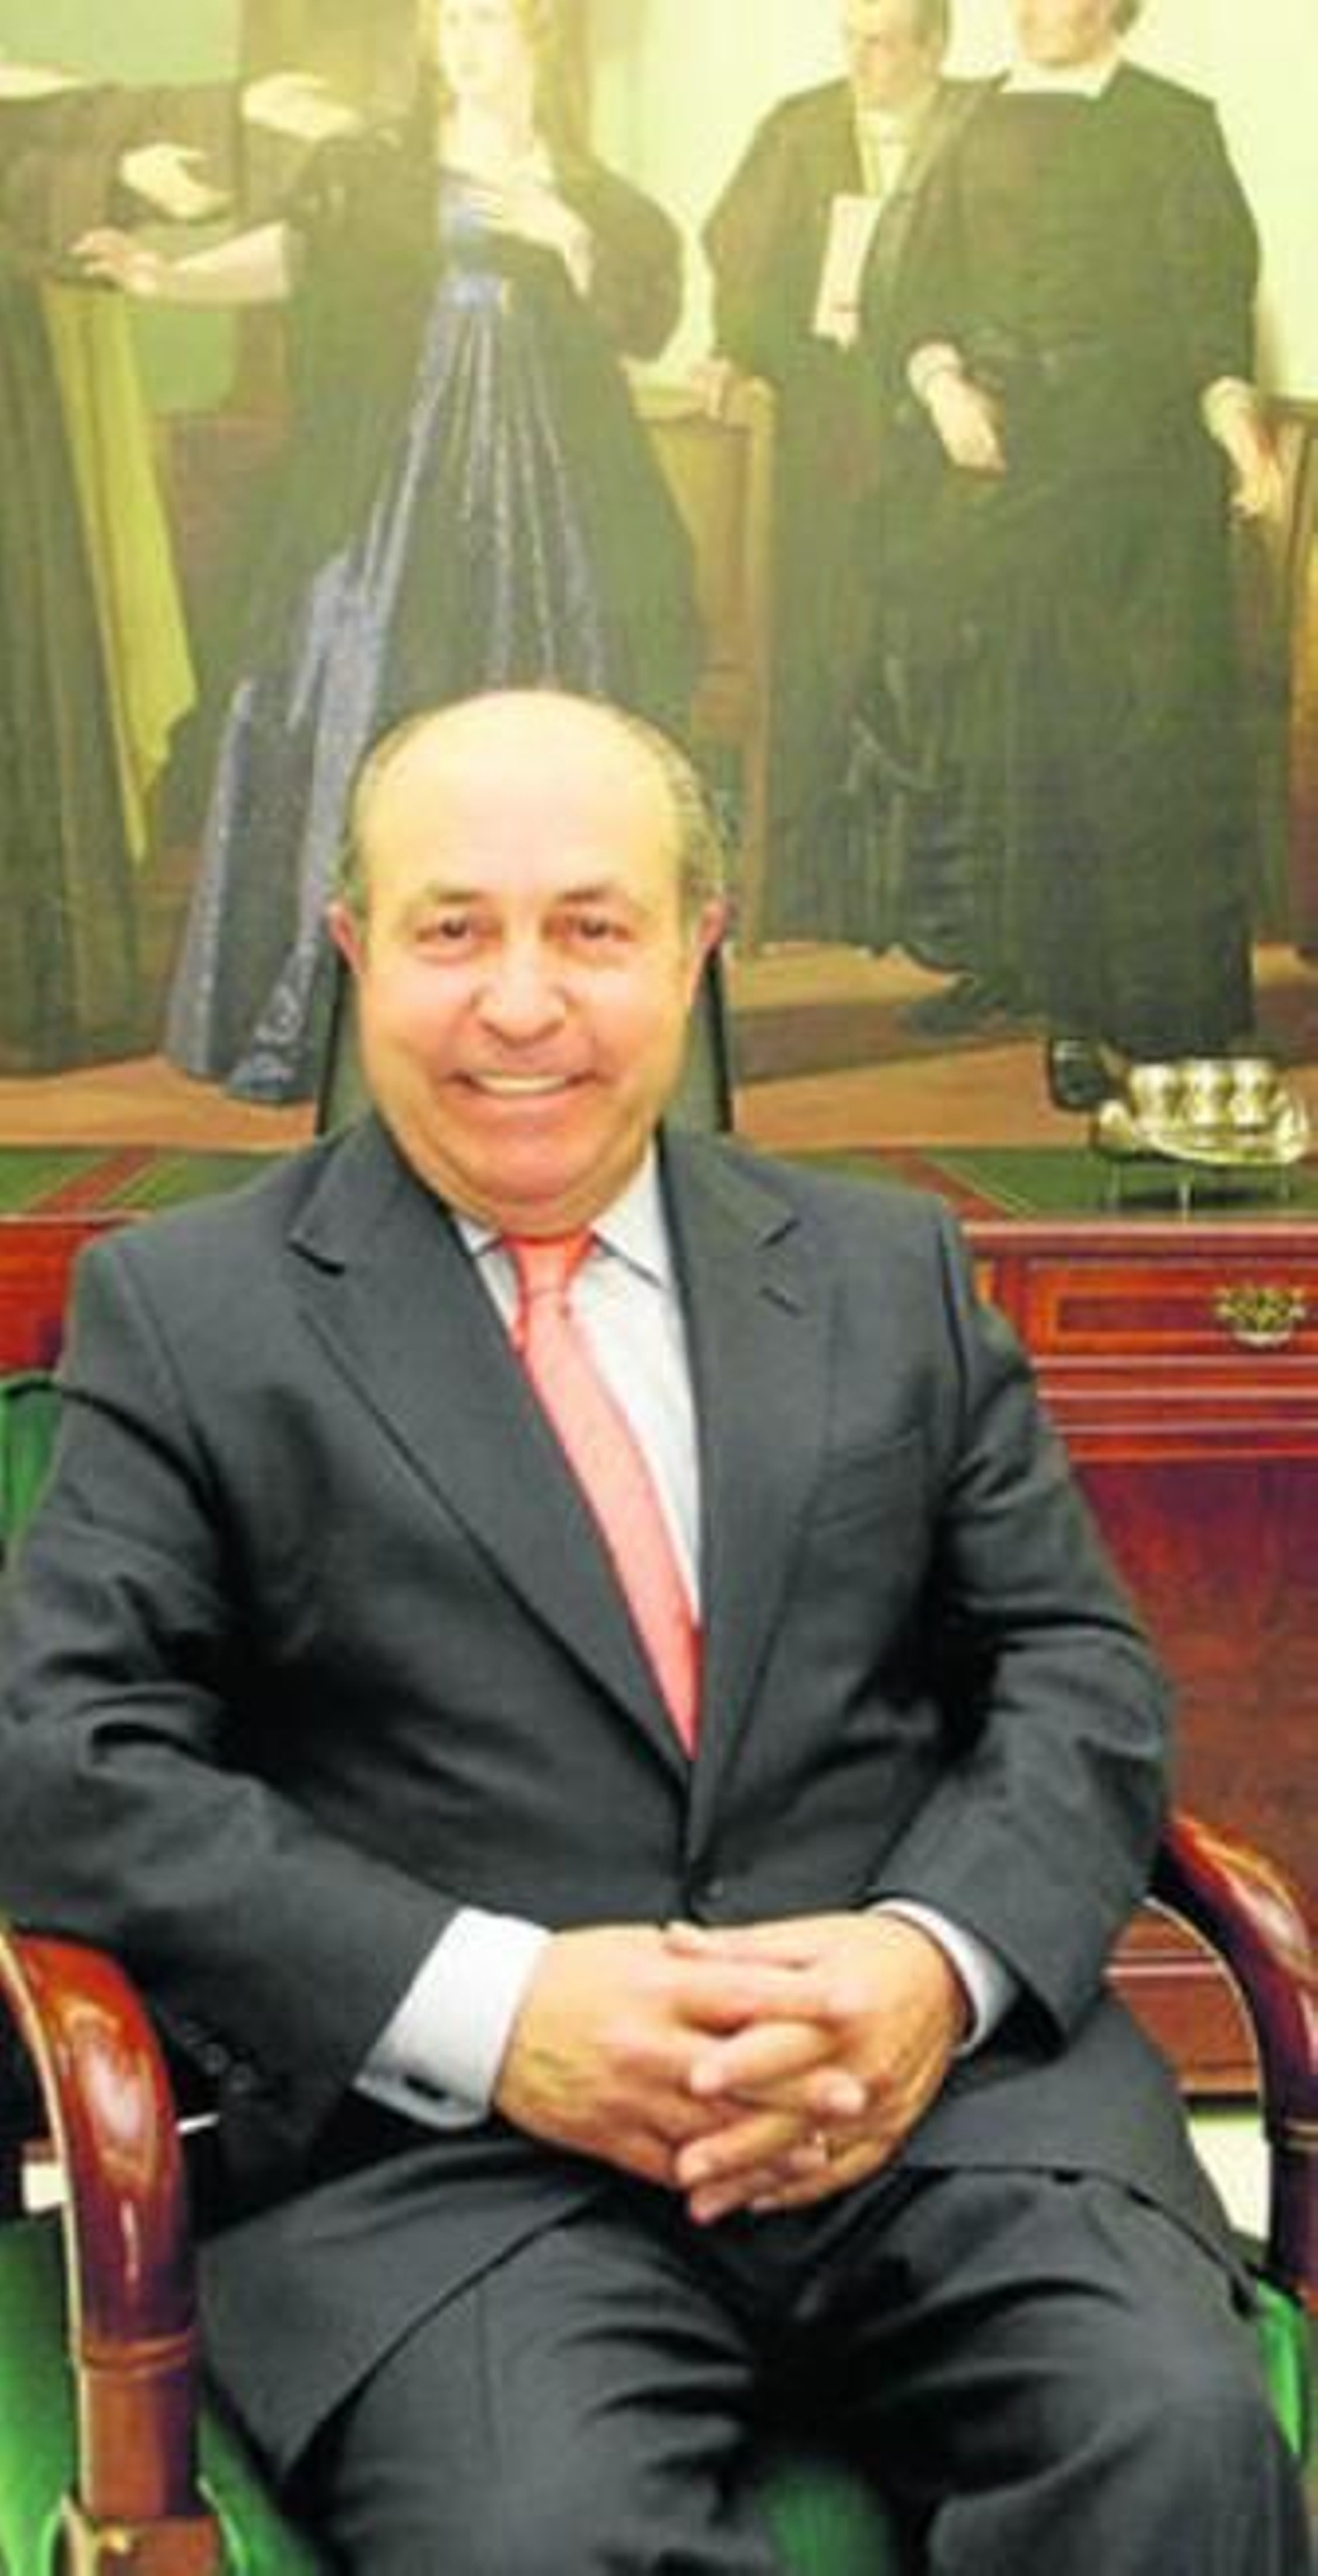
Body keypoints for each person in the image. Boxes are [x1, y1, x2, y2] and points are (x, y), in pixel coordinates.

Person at [0, 685, 1306, 2575]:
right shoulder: (191, 1314)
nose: (521, 1000)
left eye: (591, 927)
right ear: (357, 948)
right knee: (541, 2539)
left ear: (695, 945)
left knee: (1167, 2441)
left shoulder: (882, 1269)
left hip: (929, 2109)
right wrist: (499, 2010)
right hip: (454, 2176)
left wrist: (925, 1966)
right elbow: (63, 1756)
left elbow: (1073, 1670)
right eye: (453, 928)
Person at [78, 0, 699, 1106]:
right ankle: (344, 1013)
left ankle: (554, 1012)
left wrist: (563, 233)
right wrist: (171, 277)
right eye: (447, 23)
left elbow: (644, 323)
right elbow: (297, 255)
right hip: (396, 483)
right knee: (354, 689)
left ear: (537, 38)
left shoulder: (600, 197)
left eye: (485, 21)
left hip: (561, 502)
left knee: (565, 721)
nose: (462, 44)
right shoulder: (375, 170)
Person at [866, 0, 1282, 1096]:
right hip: (1017, 478)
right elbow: (913, 294)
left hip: (1148, 486)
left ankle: (1177, 1017)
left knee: (1154, 742)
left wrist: (1240, 432)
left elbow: (1211, 307)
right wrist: (942, 386)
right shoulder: (964, 123)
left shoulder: (1173, 122)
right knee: (1037, 739)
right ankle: (1066, 1015)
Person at [699, 0, 984, 949]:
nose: (863, 60)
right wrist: (735, 351)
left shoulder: (977, 128)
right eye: (850, 39)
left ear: (935, 46)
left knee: (928, 666)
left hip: (936, 445)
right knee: (811, 655)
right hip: (819, 440)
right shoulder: (799, 128)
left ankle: (925, 907)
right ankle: (807, 894)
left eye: (885, 42)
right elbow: (741, 261)